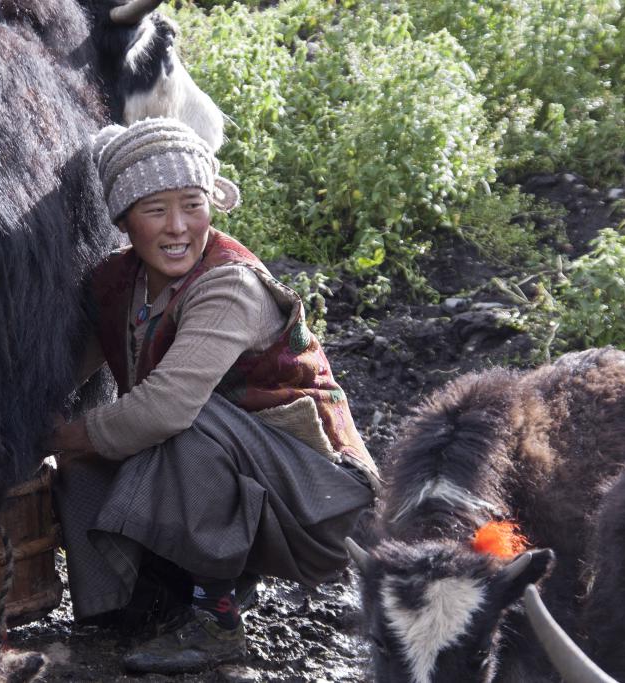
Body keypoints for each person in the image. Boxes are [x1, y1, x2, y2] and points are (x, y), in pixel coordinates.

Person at [47, 117, 378, 675]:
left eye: (193, 205)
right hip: (243, 480)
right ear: (124, 221)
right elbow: (63, 374)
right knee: (78, 469)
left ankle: (216, 619)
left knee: (182, 424)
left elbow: (166, 407)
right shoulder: (116, 285)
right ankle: (133, 602)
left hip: (317, 501)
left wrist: (64, 436)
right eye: (155, 210)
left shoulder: (229, 286)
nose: (178, 227)